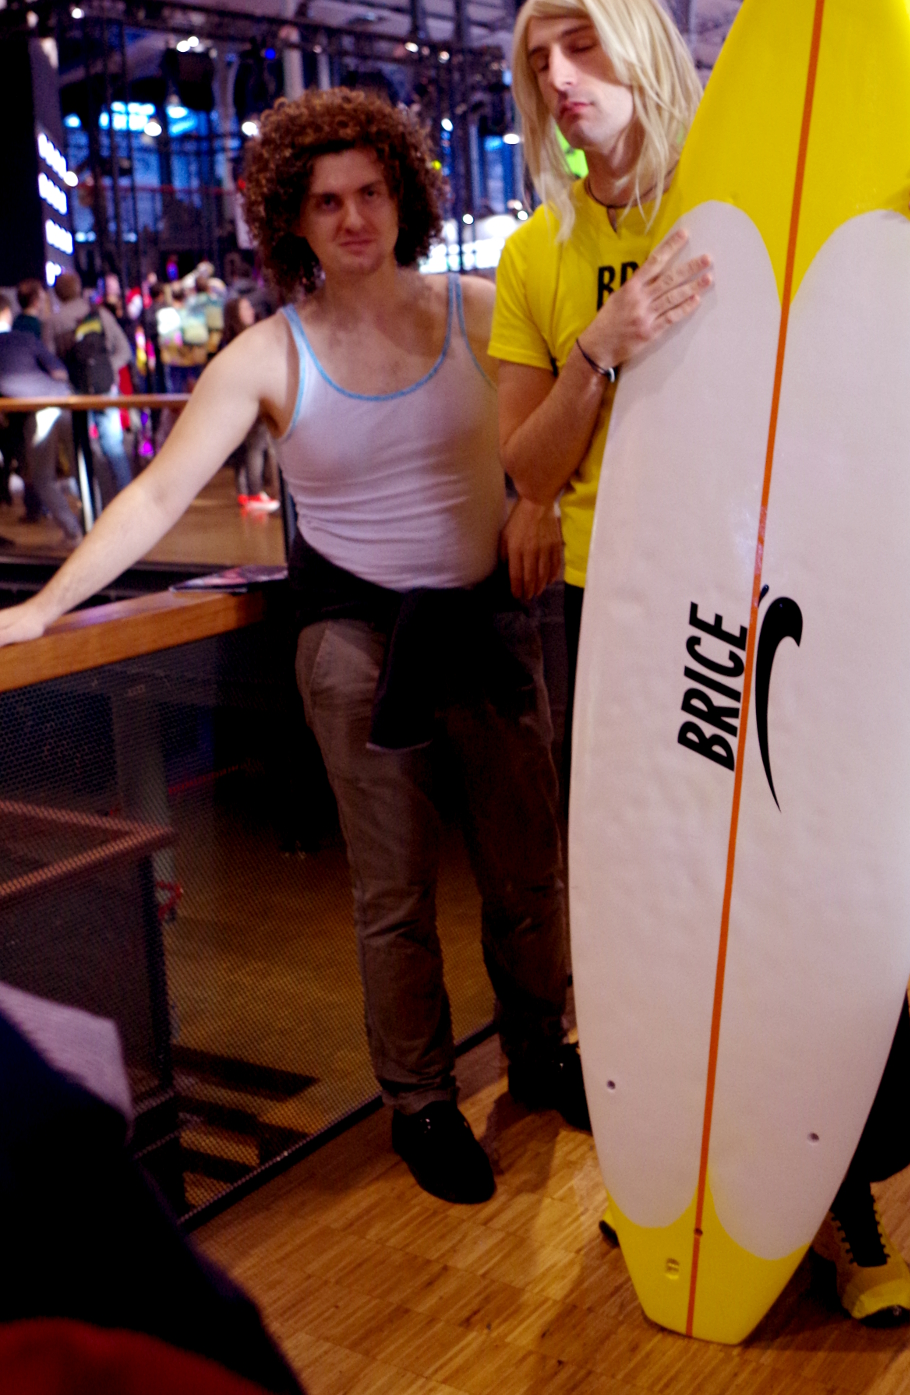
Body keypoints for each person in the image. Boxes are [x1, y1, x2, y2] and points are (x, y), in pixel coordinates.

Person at [491, 0, 910, 1327]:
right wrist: (601, 347)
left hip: (783, 602)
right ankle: (661, 1163)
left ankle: (845, 1194)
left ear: (643, 51)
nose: (560, 79)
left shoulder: (754, 186)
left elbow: (879, 329)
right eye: (538, 61)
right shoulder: (536, 257)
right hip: (618, 619)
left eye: (583, 47)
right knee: (647, 905)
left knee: (815, 890)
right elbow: (526, 473)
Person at [0, 86, 587, 1205]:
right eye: (327, 201)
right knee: (393, 892)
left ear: (403, 198)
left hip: (491, 620)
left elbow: (572, 423)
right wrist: (43, 608)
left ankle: (540, 1051)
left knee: (527, 870)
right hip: (355, 641)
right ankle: (420, 1102)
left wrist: (539, 504)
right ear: (293, 220)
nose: (354, 217)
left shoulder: (480, 312)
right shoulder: (267, 356)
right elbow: (157, 494)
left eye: (370, 192)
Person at [0, 280, 80, 542]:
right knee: (79, 469)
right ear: (7, 313)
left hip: (37, 412)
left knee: (42, 478)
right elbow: (59, 372)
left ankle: (73, 532)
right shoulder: (25, 338)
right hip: (66, 401)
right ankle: (96, 525)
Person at [51, 271, 133, 505]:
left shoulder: (54, 322)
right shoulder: (100, 314)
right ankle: (128, 500)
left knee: (81, 450)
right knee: (113, 447)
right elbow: (124, 350)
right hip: (105, 387)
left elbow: (51, 363)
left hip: (75, 392)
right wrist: (106, 368)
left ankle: (91, 506)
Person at [218, 296, 278, 511]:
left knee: (244, 448)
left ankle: (244, 491)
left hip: (234, 403)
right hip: (252, 400)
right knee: (256, 447)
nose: (251, 310)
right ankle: (255, 493)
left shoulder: (226, 341)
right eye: (245, 308)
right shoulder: (248, 340)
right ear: (236, 314)